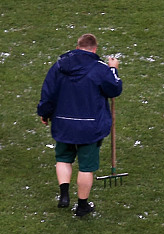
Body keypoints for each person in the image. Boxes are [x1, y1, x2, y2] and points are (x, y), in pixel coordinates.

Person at [37, 34, 122, 217]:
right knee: (86, 167)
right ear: (94, 49)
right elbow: (114, 89)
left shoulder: (60, 65)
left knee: (63, 158)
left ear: (77, 46)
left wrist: (44, 113)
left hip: (63, 123)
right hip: (89, 127)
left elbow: (48, 92)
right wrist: (113, 69)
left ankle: (64, 195)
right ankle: (82, 205)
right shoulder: (99, 68)